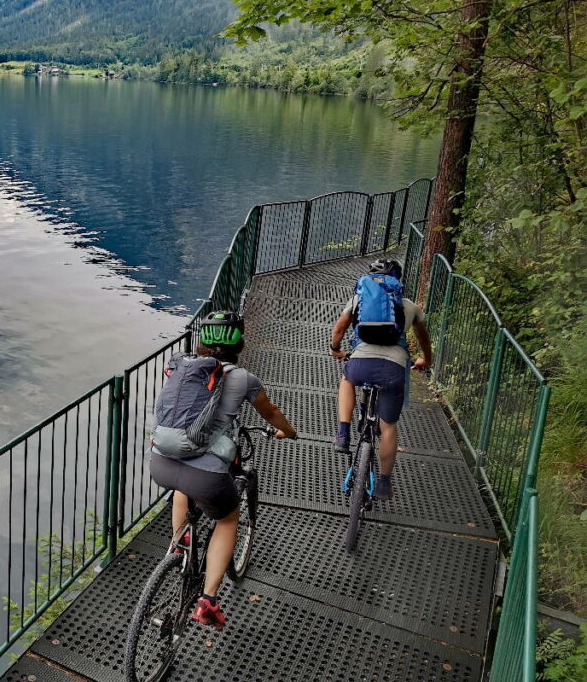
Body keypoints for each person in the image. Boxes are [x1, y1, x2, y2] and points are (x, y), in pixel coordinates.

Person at [149, 310, 296, 629]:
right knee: (227, 518)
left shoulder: (184, 368)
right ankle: (209, 601)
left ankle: (180, 543)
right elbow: (270, 412)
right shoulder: (244, 379)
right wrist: (289, 431)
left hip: (161, 461)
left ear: (202, 341)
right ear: (239, 343)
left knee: (182, 487)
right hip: (208, 476)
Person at [328, 258, 433, 500]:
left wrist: (335, 348)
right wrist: (426, 360)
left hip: (360, 364)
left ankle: (343, 433)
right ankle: (384, 483)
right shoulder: (410, 307)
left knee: (347, 379)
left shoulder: (358, 299)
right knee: (388, 427)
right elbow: (424, 339)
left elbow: (340, 328)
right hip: (394, 370)